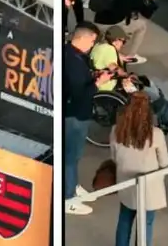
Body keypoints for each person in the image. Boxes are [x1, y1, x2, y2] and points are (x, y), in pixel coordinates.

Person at [90, 26, 168, 131]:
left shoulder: (100, 46)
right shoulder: (108, 50)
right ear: (116, 41)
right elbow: (115, 68)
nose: (123, 44)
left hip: (109, 83)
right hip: (113, 87)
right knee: (150, 92)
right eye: (123, 41)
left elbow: (108, 58)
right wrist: (127, 75)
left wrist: (122, 57)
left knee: (149, 84)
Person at [64, 22, 115, 215]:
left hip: (77, 114)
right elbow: (80, 94)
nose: (93, 45)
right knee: (70, 157)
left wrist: (94, 75)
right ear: (83, 38)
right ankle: (67, 198)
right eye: (92, 41)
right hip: (75, 115)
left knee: (74, 156)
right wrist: (98, 83)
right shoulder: (73, 62)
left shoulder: (73, 55)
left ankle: (72, 185)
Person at [110, 92, 168, 246]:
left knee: (124, 221)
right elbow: (165, 162)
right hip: (149, 188)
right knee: (146, 225)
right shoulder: (156, 134)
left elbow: (114, 158)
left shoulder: (116, 131)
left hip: (126, 185)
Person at [93, 0, 156, 64]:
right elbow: (147, 13)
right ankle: (131, 56)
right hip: (111, 26)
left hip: (98, 21)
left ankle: (117, 41)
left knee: (129, 21)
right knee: (142, 26)